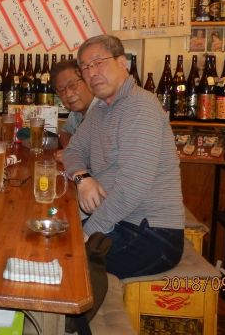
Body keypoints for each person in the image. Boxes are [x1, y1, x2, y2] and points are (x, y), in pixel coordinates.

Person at [63, 34, 184, 280]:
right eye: (85, 68)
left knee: (65, 263)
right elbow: (72, 151)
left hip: (152, 233)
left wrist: (89, 231)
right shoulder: (100, 110)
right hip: (118, 222)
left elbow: (132, 188)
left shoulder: (140, 106)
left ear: (122, 63)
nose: (92, 73)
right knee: (50, 241)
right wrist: (82, 178)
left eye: (98, 63)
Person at [50, 59, 96, 149]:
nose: (68, 94)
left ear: (88, 81)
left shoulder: (103, 110)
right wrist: (71, 149)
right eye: (62, 90)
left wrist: (76, 153)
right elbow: (65, 132)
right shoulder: (76, 113)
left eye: (72, 85)